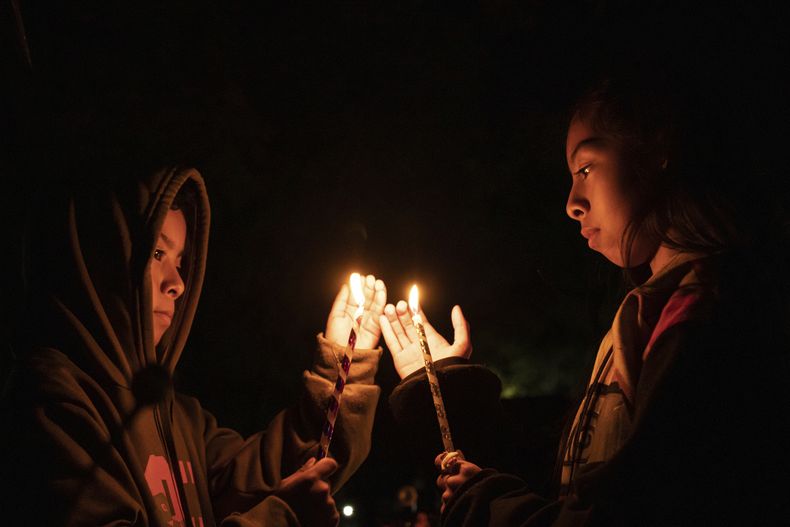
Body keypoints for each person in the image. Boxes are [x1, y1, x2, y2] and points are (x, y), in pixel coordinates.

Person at [381, 75, 790, 525]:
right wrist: (448, 386)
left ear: (658, 154)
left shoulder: (711, 317)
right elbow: (563, 481)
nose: (572, 203)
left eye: (587, 168)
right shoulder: (643, 315)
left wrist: (486, 506)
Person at [1, 167, 387, 526]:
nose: (178, 283)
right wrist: (281, 518)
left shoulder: (179, 418)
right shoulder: (50, 405)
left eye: (181, 259)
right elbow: (281, 505)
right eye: (157, 254)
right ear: (102, 261)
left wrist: (342, 367)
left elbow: (282, 473)